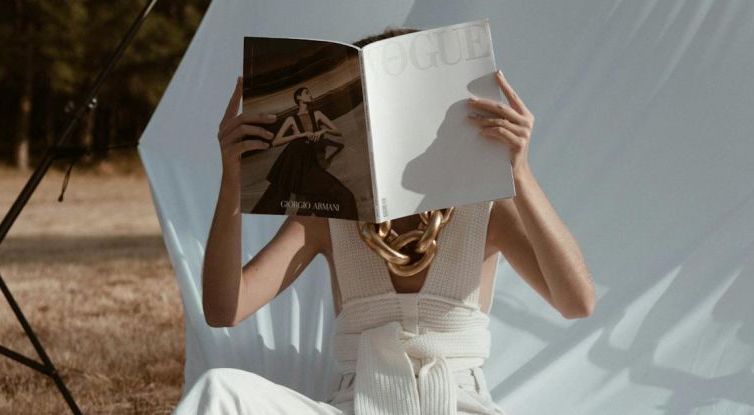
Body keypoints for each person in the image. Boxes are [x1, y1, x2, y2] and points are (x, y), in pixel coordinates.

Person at [176, 27, 595, 415]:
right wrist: (231, 181)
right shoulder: (327, 213)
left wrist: (520, 172)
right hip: (356, 404)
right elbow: (224, 309)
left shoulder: (483, 208)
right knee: (219, 391)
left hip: (458, 404)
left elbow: (577, 302)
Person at [251, 86, 358, 219]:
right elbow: (275, 142)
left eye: (310, 92)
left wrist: (323, 131)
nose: (310, 94)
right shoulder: (291, 119)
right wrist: (299, 135)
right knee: (282, 198)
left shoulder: (317, 114)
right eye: (306, 92)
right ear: (298, 98)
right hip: (293, 160)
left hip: (309, 164)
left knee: (340, 196)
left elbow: (337, 132)